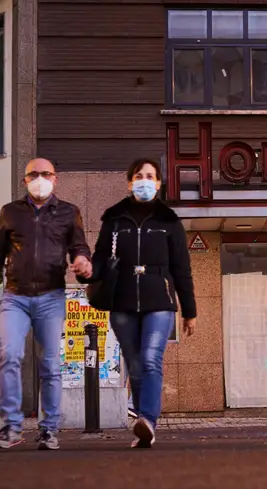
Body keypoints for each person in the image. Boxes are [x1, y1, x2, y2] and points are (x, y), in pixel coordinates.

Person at [0, 157, 92, 450]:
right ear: (25, 180)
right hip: (15, 297)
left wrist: (81, 260)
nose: (40, 178)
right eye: (34, 174)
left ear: (56, 178)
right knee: (10, 355)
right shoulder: (11, 212)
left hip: (51, 298)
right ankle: (12, 427)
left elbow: (79, 246)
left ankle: (49, 429)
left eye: (46, 173)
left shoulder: (69, 212)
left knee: (50, 364)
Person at [84, 158, 196, 448]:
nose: (144, 180)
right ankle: (144, 429)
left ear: (158, 184)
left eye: (150, 176)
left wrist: (189, 312)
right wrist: (87, 271)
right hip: (121, 302)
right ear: (130, 182)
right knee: (134, 366)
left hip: (159, 299)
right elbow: (100, 260)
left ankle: (147, 420)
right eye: (139, 176)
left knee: (150, 359)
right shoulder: (114, 218)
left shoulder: (169, 221)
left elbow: (182, 269)